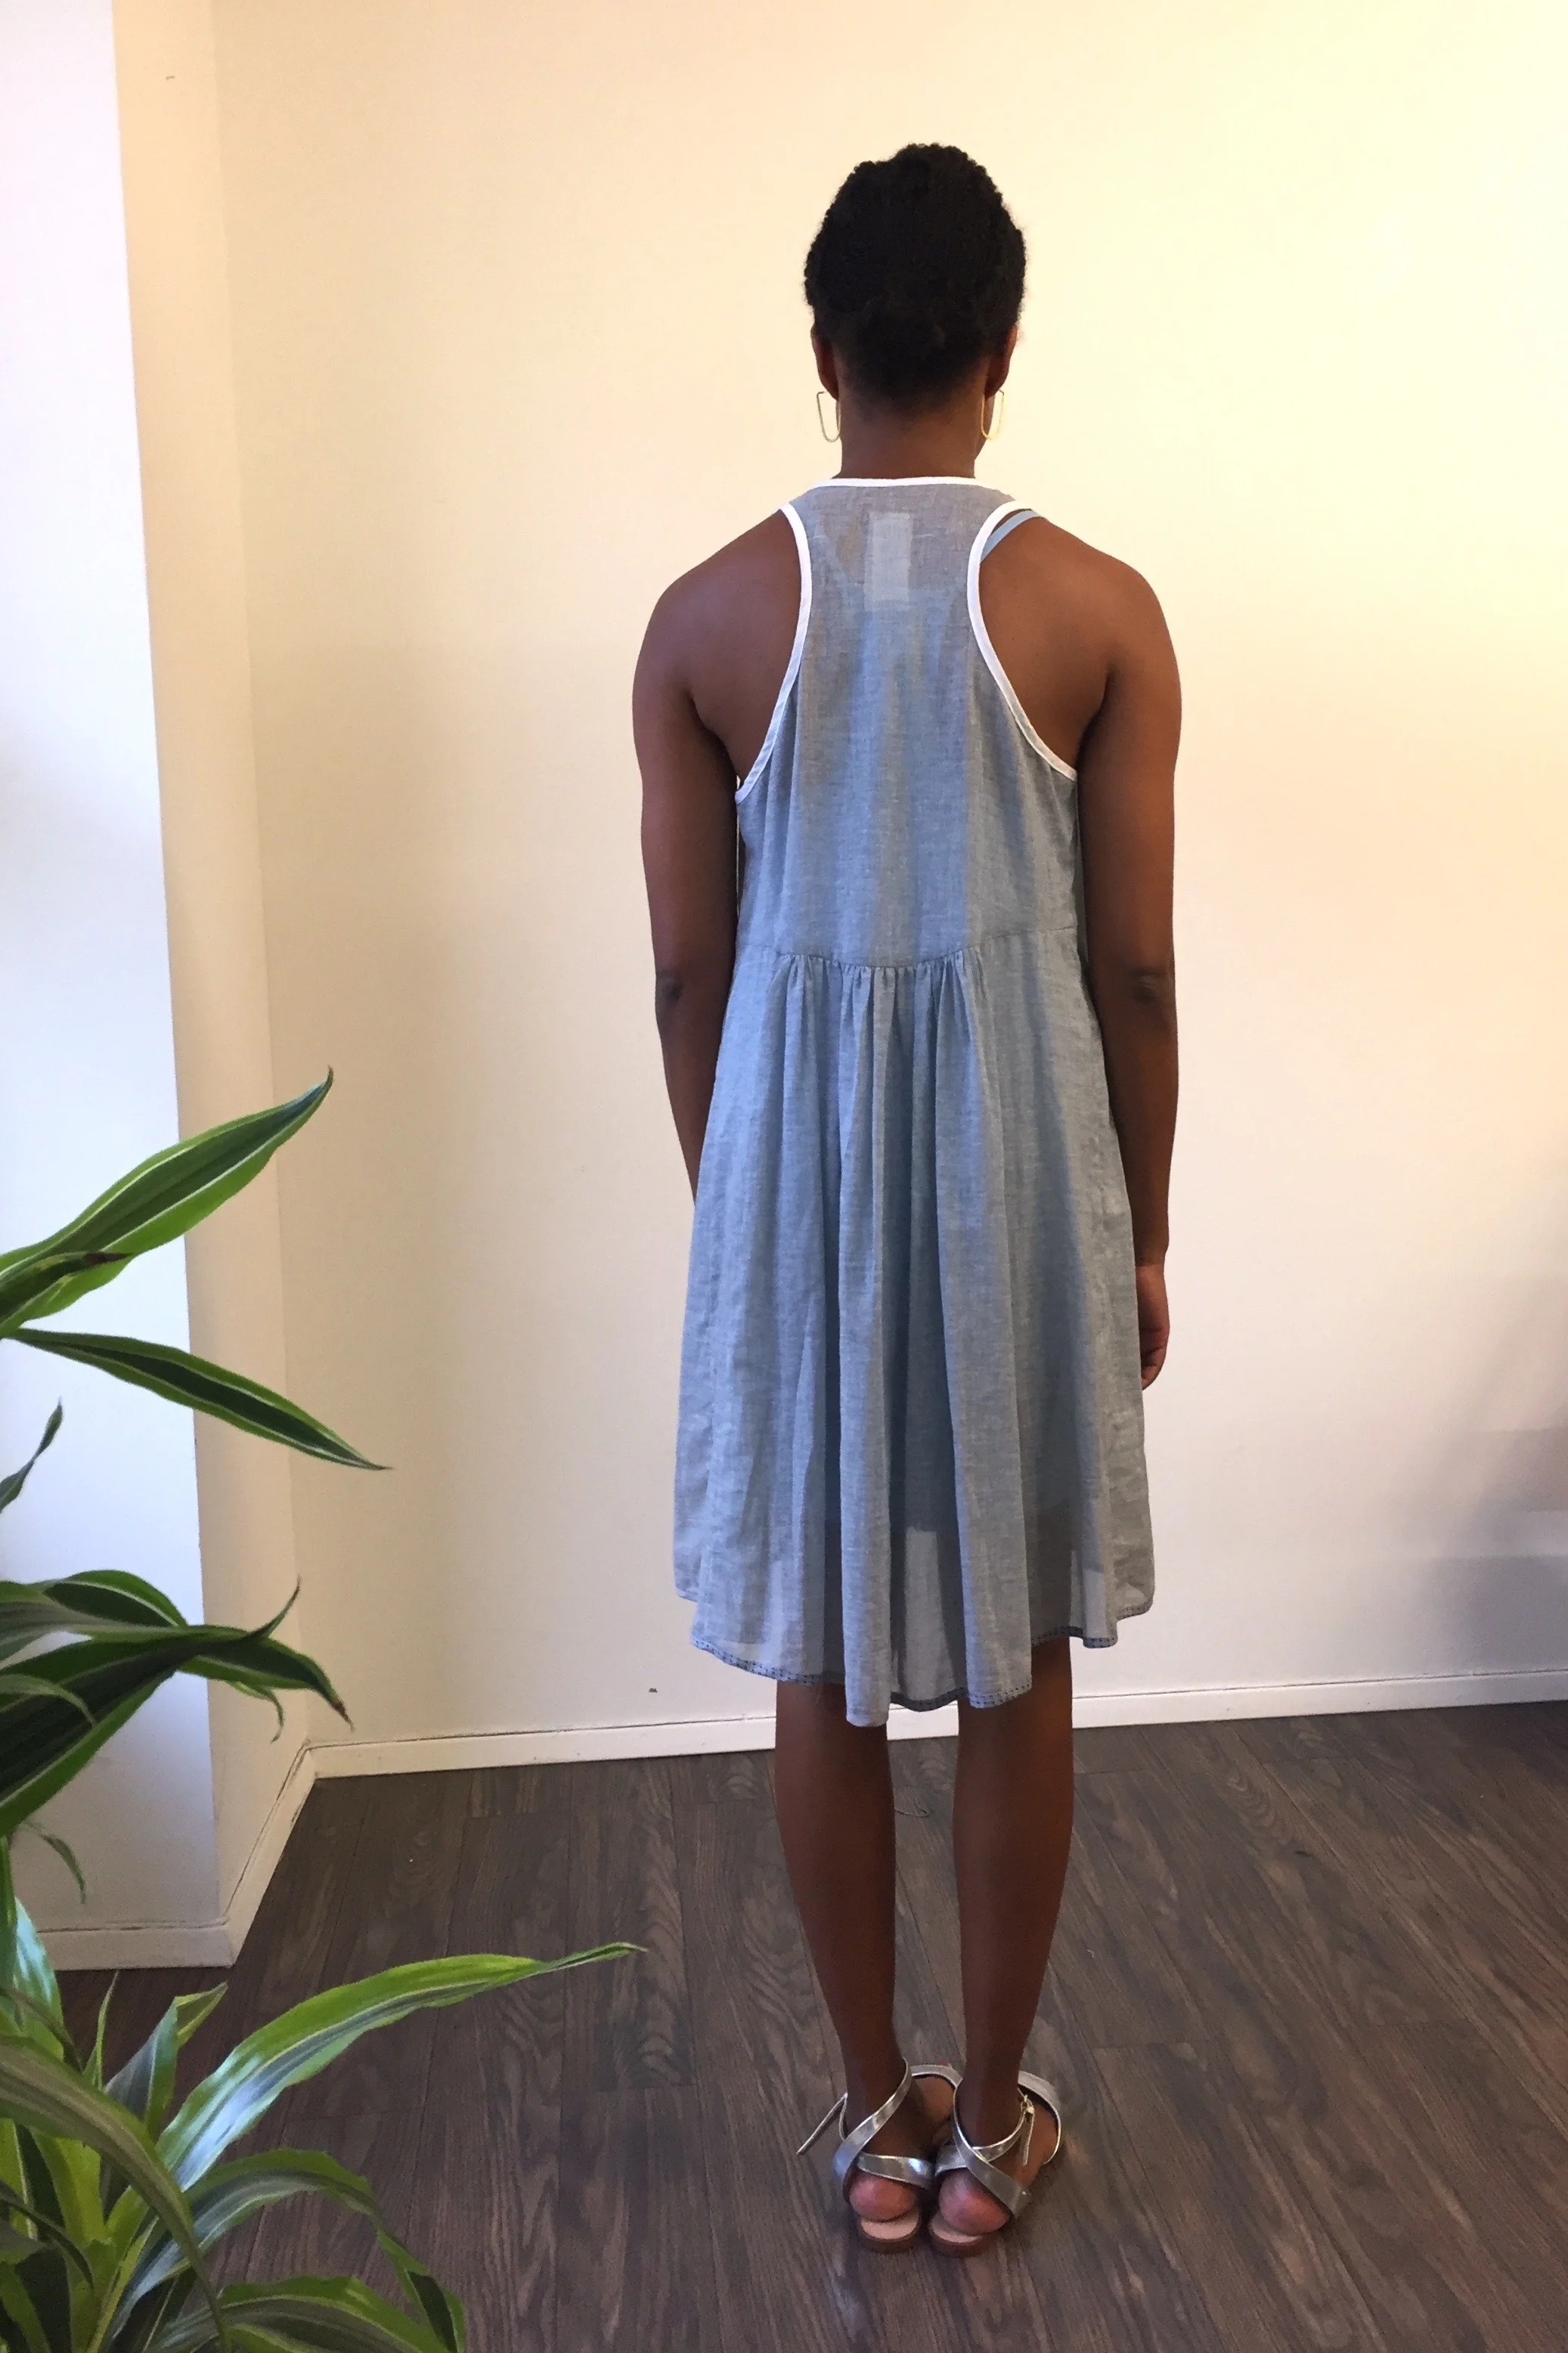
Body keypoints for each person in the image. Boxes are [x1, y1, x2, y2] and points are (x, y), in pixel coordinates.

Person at [635, 143, 1179, 2258]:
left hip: (798, 1189)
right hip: (1022, 1178)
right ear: (1003, 351)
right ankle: (993, 2126)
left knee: (822, 1653)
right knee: (1019, 1649)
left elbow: (689, 975)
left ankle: (877, 2121)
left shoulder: (704, 620)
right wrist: (1143, 1227)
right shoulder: (1099, 613)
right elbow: (1132, 969)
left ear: (822, 344)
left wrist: (741, 1216)